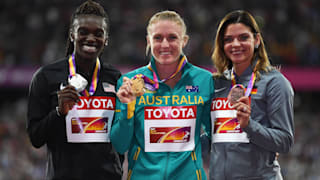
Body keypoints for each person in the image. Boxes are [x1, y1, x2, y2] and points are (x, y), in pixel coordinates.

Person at [110, 10, 214, 180]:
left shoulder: (204, 80)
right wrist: (127, 109)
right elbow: (120, 145)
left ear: (184, 41)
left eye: (172, 37)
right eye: (158, 38)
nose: (165, 45)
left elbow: (215, 135)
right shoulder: (129, 82)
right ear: (148, 41)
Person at [27, 1, 123, 179]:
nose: (91, 38)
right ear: (72, 35)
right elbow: (35, 138)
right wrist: (59, 112)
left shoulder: (116, 78)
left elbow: (121, 136)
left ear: (106, 39)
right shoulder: (46, 77)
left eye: (98, 33)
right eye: (83, 32)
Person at [209, 10, 294, 180]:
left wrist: (249, 125)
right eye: (228, 39)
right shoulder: (217, 83)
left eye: (243, 37)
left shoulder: (274, 82)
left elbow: (284, 141)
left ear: (256, 40)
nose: (235, 44)